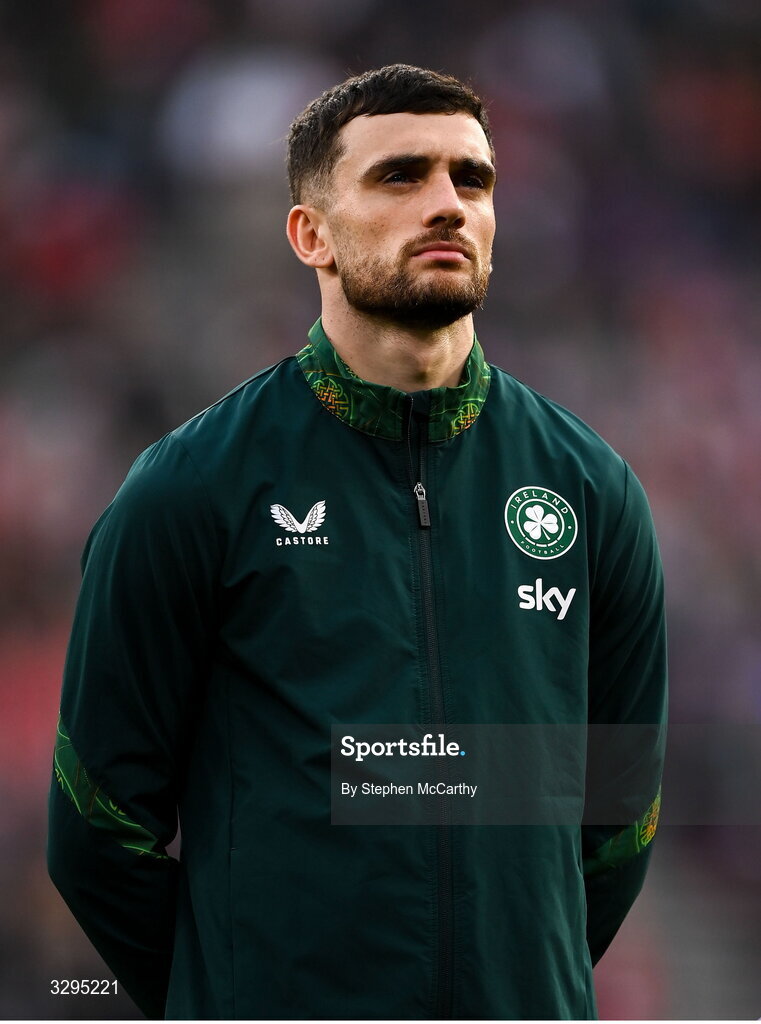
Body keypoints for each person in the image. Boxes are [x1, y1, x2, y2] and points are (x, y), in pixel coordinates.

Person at [47, 64, 667, 1020]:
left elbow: (619, 818)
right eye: (399, 176)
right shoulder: (191, 487)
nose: (448, 205)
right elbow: (96, 825)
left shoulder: (590, 491)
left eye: (473, 179)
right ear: (312, 235)